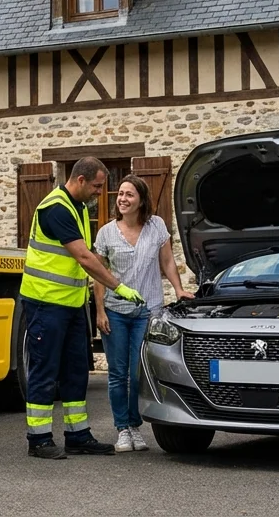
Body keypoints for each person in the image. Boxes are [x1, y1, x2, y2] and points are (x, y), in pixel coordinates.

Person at [20, 157, 146, 460]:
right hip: (45, 303)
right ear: (80, 180)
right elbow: (85, 258)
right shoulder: (56, 208)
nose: (100, 193)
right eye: (97, 186)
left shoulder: (76, 206)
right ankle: (38, 440)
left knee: (77, 371)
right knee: (45, 371)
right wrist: (119, 287)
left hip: (71, 305)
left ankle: (77, 436)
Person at [91, 175, 194, 452]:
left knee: (139, 374)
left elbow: (168, 261)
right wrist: (99, 311)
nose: (122, 199)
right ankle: (122, 429)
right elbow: (98, 275)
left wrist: (179, 289)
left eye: (129, 195)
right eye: (120, 194)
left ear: (141, 200)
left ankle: (135, 426)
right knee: (118, 373)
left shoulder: (156, 226)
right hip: (115, 311)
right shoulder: (106, 233)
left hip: (148, 311)